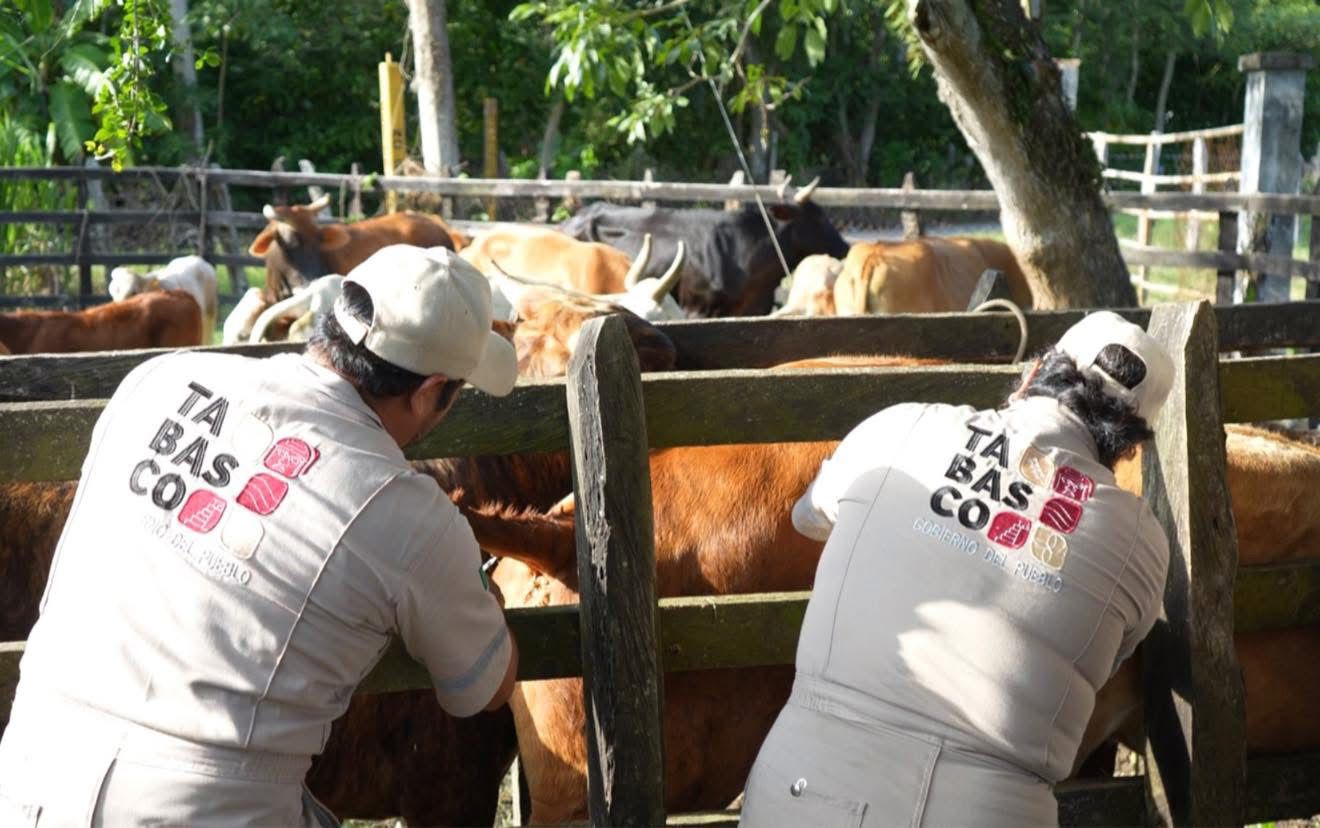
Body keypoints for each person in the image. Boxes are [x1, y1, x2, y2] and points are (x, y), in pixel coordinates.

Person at [0, 245, 521, 826]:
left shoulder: (158, 379)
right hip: (211, 810)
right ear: (429, 392)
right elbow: (487, 686)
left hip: (31, 774)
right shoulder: (405, 511)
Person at [740, 311, 1175, 827]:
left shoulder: (902, 425)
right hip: (988, 808)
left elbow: (809, 517)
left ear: (1034, 373)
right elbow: (1115, 648)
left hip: (803, 788)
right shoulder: (1141, 543)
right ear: (1127, 446)